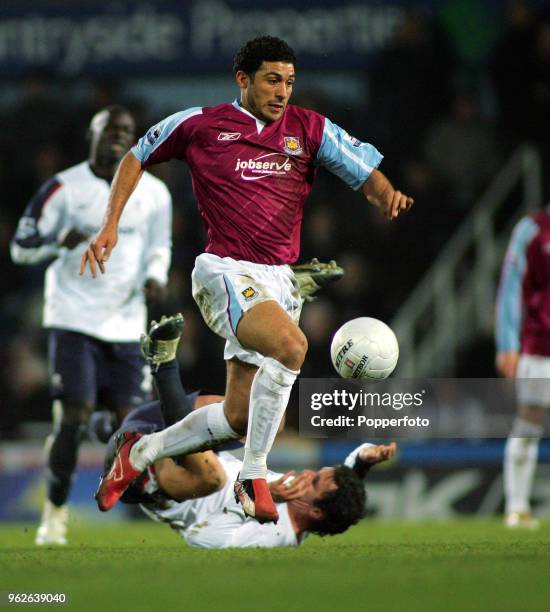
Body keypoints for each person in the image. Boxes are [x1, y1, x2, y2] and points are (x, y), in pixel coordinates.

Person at [81, 36, 413, 524]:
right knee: (292, 347)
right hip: (223, 270)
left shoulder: (309, 128)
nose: (282, 92)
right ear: (244, 79)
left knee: (240, 417)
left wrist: (387, 195)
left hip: (279, 280)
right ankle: (252, 474)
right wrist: (109, 223)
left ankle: (144, 452)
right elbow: (135, 156)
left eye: (290, 82)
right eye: (273, 80)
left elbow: (364, 171)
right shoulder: (199, 124)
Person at [10, 106, 172, 545]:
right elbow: (20, 246)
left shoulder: (154, 191)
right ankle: (55, 511)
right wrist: (52, 241)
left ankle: (151, 508)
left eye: (127, 131)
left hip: (125, 323)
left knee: (130, 427)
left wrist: (156, 277)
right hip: (73, 317)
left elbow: (161, 245)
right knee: (73, 417)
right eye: (110, 129)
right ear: (92, 133)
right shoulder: (63, 187)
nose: (119, 136)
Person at [102, 314, 395, 547]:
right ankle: (276, 313)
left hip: (153, 480)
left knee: (212, 477)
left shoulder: (272, 538)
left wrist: (252, 499)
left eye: (315, 480)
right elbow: (339, 495)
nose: (307, 473)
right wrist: (361, 462)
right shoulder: (305, 498)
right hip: (157, 429)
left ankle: (163, 364)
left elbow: (199, 536)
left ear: (315, 511)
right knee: (265, 419)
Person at [495, 207, 550, 529]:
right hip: (541, 345)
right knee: (530, 421)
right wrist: (507, 344)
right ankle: (517, 507)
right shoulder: (532, 229)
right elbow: (511, 286)